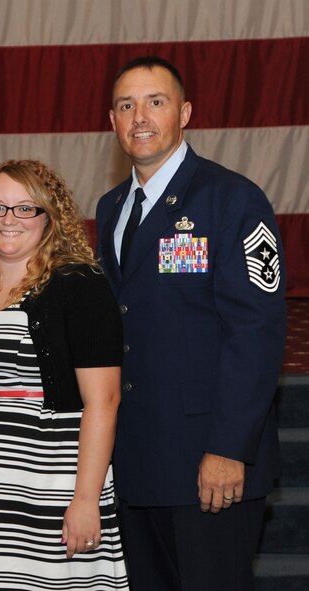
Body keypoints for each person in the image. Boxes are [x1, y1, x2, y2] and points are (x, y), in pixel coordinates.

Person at [95, 56, 286, 590]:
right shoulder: (111, 208)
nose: (140, 118)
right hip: (138, 458)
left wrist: (229, 447)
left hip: (209, 460)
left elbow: (256, 331)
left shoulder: (233, 200)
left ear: (185, 113)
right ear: (111, 121)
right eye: (126, 105)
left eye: (155, 102)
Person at [0, 159, 129, 590]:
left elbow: (104, 401)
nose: (8, 219)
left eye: (25, 208)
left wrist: (85, 500)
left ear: (49, 216)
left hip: (46, 480)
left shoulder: (79, 284)